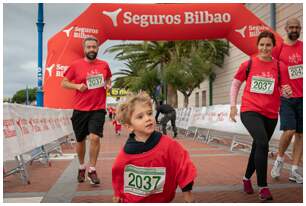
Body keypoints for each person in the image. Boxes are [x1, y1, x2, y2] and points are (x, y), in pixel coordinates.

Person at [229, 31, 292, 201]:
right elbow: (235, 85)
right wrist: (233, 106)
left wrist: (286, 92)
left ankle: (246, 178)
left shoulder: (280, 67)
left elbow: (284, 91)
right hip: (250, 110)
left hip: (270, 114)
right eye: (262, 44)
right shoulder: (248, 63)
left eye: (268, 45)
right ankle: (263, 186)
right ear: (258, 46)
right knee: (263, 143)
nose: (264, 48)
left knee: (259, 146)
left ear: (273, 47)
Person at [112, 92, 196, 203]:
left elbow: (184, 166)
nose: (148, 118)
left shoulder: (168, 145)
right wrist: (117, 194)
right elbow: (118, 175)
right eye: (140, 117)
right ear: (130, 126)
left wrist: (188, 195)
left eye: (149, 113)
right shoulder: (125, 154)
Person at [61, 36, 112, 185]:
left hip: (98, 108)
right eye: (89, 47)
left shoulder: (104, 65)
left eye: (94, 47)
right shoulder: (76, 65)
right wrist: (77, 86)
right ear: (84, 49)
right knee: (80, 140)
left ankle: (92, 169)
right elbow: (63, 83)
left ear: (97, 48)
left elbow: (109, 78)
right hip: (80, 109)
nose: (91, 49)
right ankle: (82, 166)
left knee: (95, 138)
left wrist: (108, 85)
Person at [270, 18, 303, 184]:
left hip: (303, 97)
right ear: (285, 28)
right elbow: (271, 70)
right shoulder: (279, 48)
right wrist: (279, 89)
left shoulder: (303, 47)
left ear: (300, 29)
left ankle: (295, 170)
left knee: (301, 134)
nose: (294, 29)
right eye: (291, 27)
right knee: (289, 130)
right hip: (286, 98)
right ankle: (279, 160)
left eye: (297, 27)